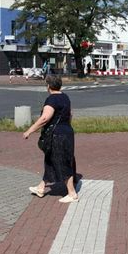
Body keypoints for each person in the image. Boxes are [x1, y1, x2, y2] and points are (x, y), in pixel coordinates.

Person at [23, 74, 78, 203]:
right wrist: (66, 126)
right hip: (67, 132)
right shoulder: (65, 97)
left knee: (61, 162)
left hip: (57, 135)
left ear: (48, 86)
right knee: (50, 160)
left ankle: (72, 193)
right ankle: (41, 188)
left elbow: (45, 118)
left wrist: (29, 131)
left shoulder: (52, 99)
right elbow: (70, 114)